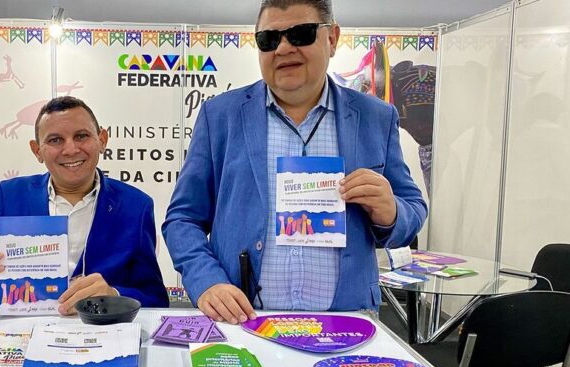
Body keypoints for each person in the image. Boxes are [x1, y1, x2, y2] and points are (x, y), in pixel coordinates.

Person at [162, 0, 427, 324]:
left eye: (300, 34)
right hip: (243, 322)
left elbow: (413, 207)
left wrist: (392, 213)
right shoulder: (220, 116)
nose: (283, 48)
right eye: (269, 39)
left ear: (332, 38)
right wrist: (206, 281)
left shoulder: (376, 118)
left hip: (348, 324)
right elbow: (182, 219)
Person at [0, 96, 169, 313]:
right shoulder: (9, 197)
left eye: (81, 136)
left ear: (102, 140)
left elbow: (154, 297)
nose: (70, 149)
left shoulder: (135, 206)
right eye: (55, 140)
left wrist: (113, 296)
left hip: (102, 334)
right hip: (27, 333)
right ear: (37, 150)